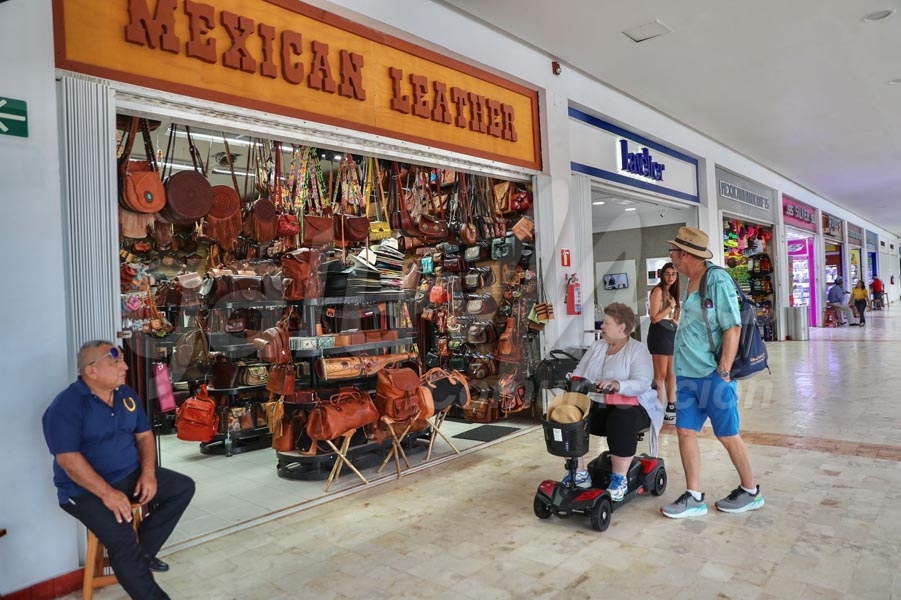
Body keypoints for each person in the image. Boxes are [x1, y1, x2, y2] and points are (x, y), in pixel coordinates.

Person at [42, 340, 195, 600]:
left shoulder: (126, 395)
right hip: (84, 491)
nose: (124, 367)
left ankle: (142, 553)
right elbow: (68, 460)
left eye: (122, 361)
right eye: (115, 363)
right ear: (91, 371)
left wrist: (148, 473)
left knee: (182, 487)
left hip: (129, 475)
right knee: (123, 541)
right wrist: (107, 494)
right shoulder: (65, 406)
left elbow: (145, 436)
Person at [661, 226, 764, 518]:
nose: (671, 259)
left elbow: (732, 327)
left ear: (685, 255)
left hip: (711, 375)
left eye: (674, 253)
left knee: (728, 434)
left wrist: (723, 371)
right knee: (685, 432)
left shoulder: (716, 280)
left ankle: (750, 490)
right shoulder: (690, 282)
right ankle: (694, 495)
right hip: (687, 376)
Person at [564, 303, 664, 501]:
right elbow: (579, 373)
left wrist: (618, 384)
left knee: (621, 415)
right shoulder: (597, 347)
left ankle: (619, 479)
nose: (602, 326)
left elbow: (643, 382)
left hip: (635, 408)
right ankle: (579, 473)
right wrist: (571, 379)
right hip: (599, 405)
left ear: (622, 328)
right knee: (568, 414)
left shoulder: (637, 350)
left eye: (606, 323)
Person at [647, 262, 680, 422]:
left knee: (671, 373)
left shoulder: (672, 292)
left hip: (671, 333)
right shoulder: (658, 291)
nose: (671, 277)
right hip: (659, 334)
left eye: (673, 274)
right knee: (660, 375)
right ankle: (658, 409)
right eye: (667, 274)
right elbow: (654, 318)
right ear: (662, 275)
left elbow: (671, 317)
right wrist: (670, 307)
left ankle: (671, 405)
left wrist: (676, 320)